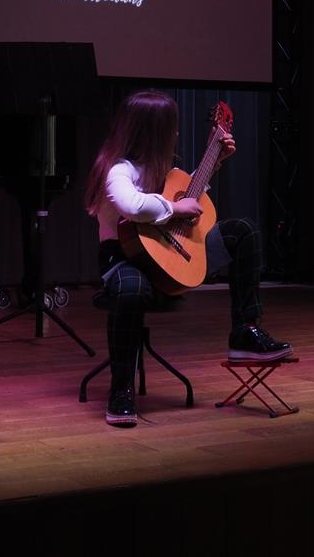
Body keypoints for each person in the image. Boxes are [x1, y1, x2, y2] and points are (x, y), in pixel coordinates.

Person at [84, 89, 293, 428]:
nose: (177, 133)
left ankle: (245, 331)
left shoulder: (165, 169)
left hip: (167, 254)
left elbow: (186, 198)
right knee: (130, 288)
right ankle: (121, 388)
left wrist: (214, 162)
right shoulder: (119, 170)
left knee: (242, 232)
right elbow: (132, 206)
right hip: (124, 258)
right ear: (152, 131)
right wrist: (175, 207)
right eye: (172, 127)